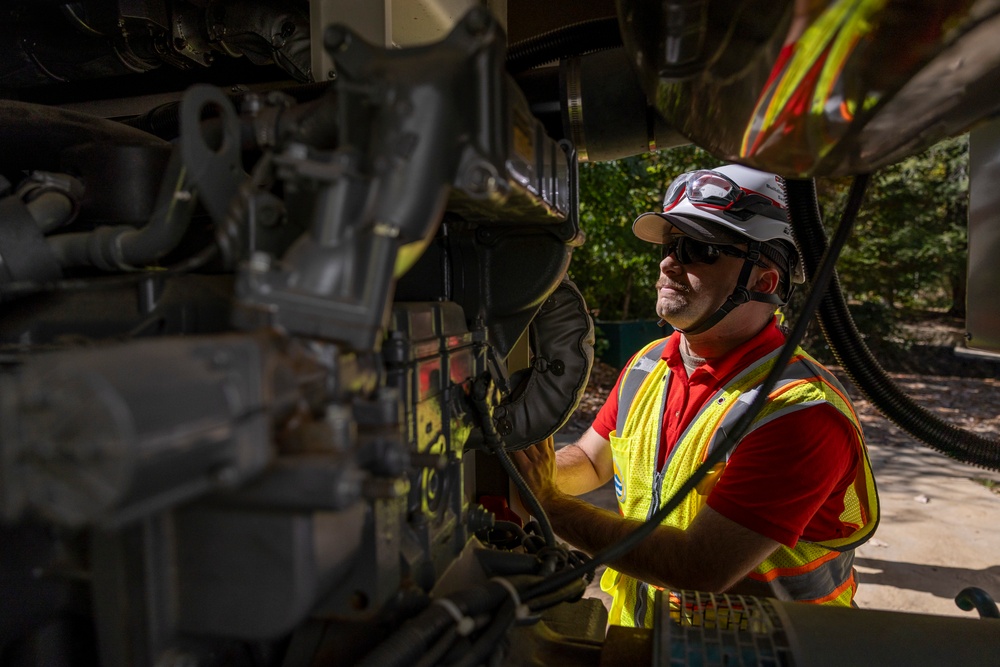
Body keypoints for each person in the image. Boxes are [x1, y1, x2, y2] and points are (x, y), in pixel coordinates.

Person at [512, 164, 879, 627]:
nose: (668, 262)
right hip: (648, 643)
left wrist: (551, 505)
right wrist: (526, 469)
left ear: (764, 281)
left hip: (765, 657)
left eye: (699, 249)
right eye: (669, 247)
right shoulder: (649, 365)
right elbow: (591, 462)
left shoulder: (798, 412)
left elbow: (699, 567)